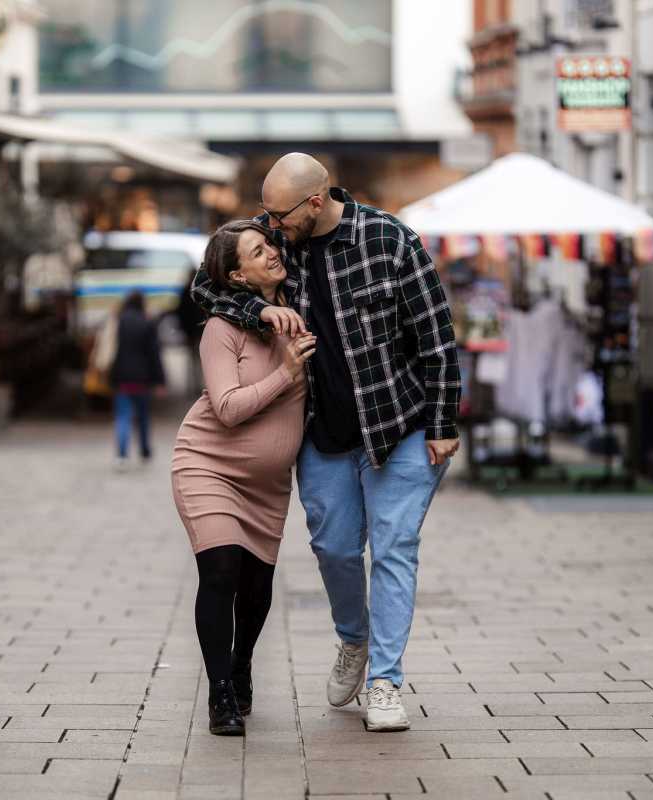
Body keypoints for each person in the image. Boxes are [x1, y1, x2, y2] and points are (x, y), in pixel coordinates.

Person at [192, 154, 462, 732]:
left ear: (315, 202)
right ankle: (354, 639)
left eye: (278, 214)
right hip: (323, 433)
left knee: (393, 547)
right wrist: (259, 307)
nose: (269, 225)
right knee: (335, 549)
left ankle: (386, 681)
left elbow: (437, 339)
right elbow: (207, 281)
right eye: (265, 215)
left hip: (399, 426)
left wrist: (443, 423)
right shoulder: (276, 241)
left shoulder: (390, 241)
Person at [172, 220, 316, 736]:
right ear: (238, 273)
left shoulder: (301, 307)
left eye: (270, 243)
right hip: (209, 463)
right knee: (221, 573)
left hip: (267, 486)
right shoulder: (222, 327)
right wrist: (286, 375)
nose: (272, 253)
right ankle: (220, 695)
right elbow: (228, 408)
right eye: (259, 251)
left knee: (257, 588)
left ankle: (242, 664)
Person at [109, 290, 165, 469]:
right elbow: (154, 354)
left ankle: (122, 454)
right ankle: (145, 450)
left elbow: (115, 349)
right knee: (142, 417)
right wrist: (160, 380)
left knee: (123, 416)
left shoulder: (121, 321)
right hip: (142, 378)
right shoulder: (147, 322)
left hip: (123, 376)